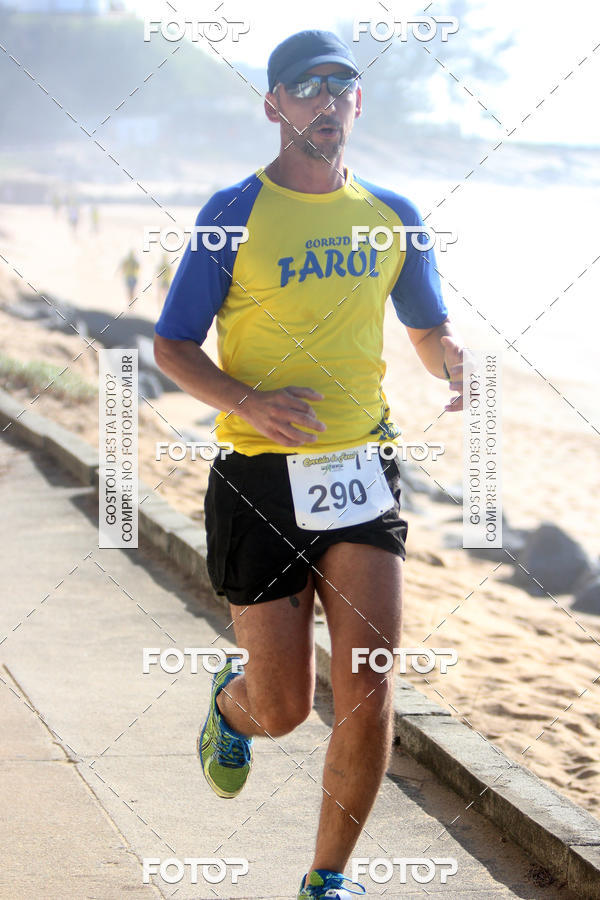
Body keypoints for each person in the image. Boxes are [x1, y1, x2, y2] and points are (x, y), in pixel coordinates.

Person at [154, 29, 469, 900]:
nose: (326, 102)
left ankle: (326, 880)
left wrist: (454, 362)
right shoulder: (233, 211)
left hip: (361, 470)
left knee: (369, 684)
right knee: (284, 708)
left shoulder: (392, 215)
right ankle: (233, 705)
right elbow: (173, 346)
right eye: (306, 88)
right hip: (258, 477)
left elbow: (427, 329)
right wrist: (247, 401)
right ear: (274, 105)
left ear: (358, 102)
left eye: (340, 87)